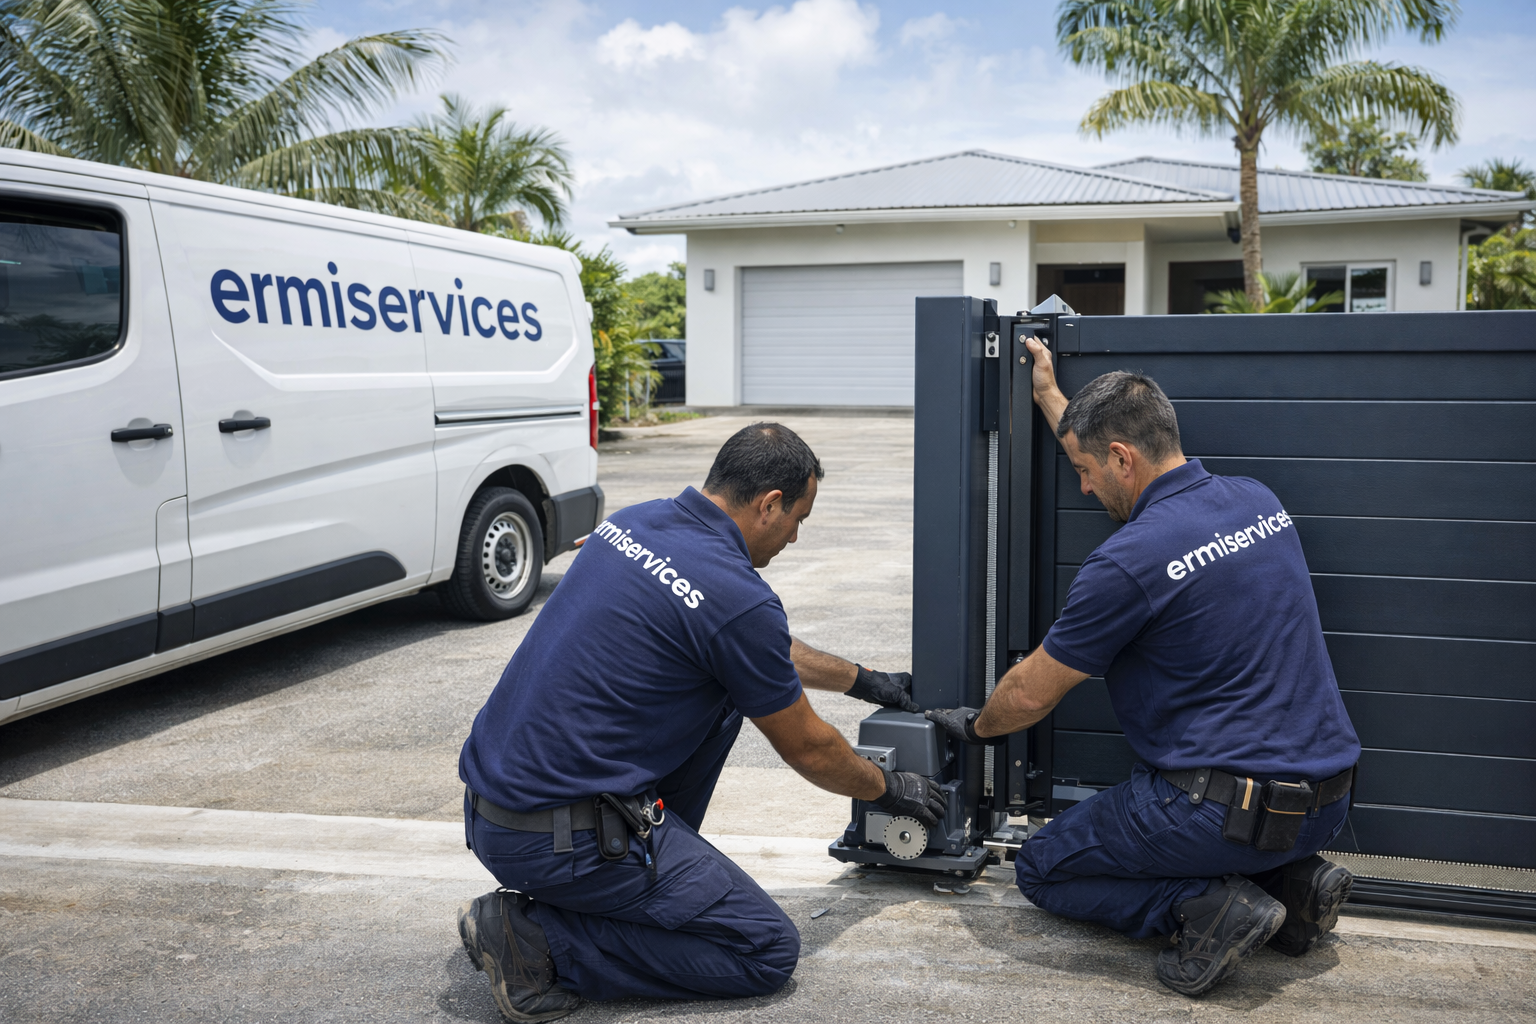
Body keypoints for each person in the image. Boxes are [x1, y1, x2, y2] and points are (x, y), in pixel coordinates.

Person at [455, 422, 947, 1022]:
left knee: (725, 695)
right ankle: (536, 941)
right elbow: (809, 749)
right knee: (764, 950)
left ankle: (646, 875)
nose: (795, 538)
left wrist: (861, 678)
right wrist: (888, 787)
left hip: (491, 812)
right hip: (560, 842)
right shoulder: (737, 598)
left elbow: (738, 643)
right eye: (798, 521)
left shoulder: (633, 524)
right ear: (770, 505)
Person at [926, 338, 1361, 997]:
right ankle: (1297, 886)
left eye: (1086, 470)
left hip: (1219, 816)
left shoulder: (1128, 562)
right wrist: (1047, 394)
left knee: (1045, 867)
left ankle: (1204, 909)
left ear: (1122, 458)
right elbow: (1100, 440)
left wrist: (977, 730)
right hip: (1329, 802)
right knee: (1217, 829)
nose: (1083, 485)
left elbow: (1028, 695)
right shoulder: (1258, 503)